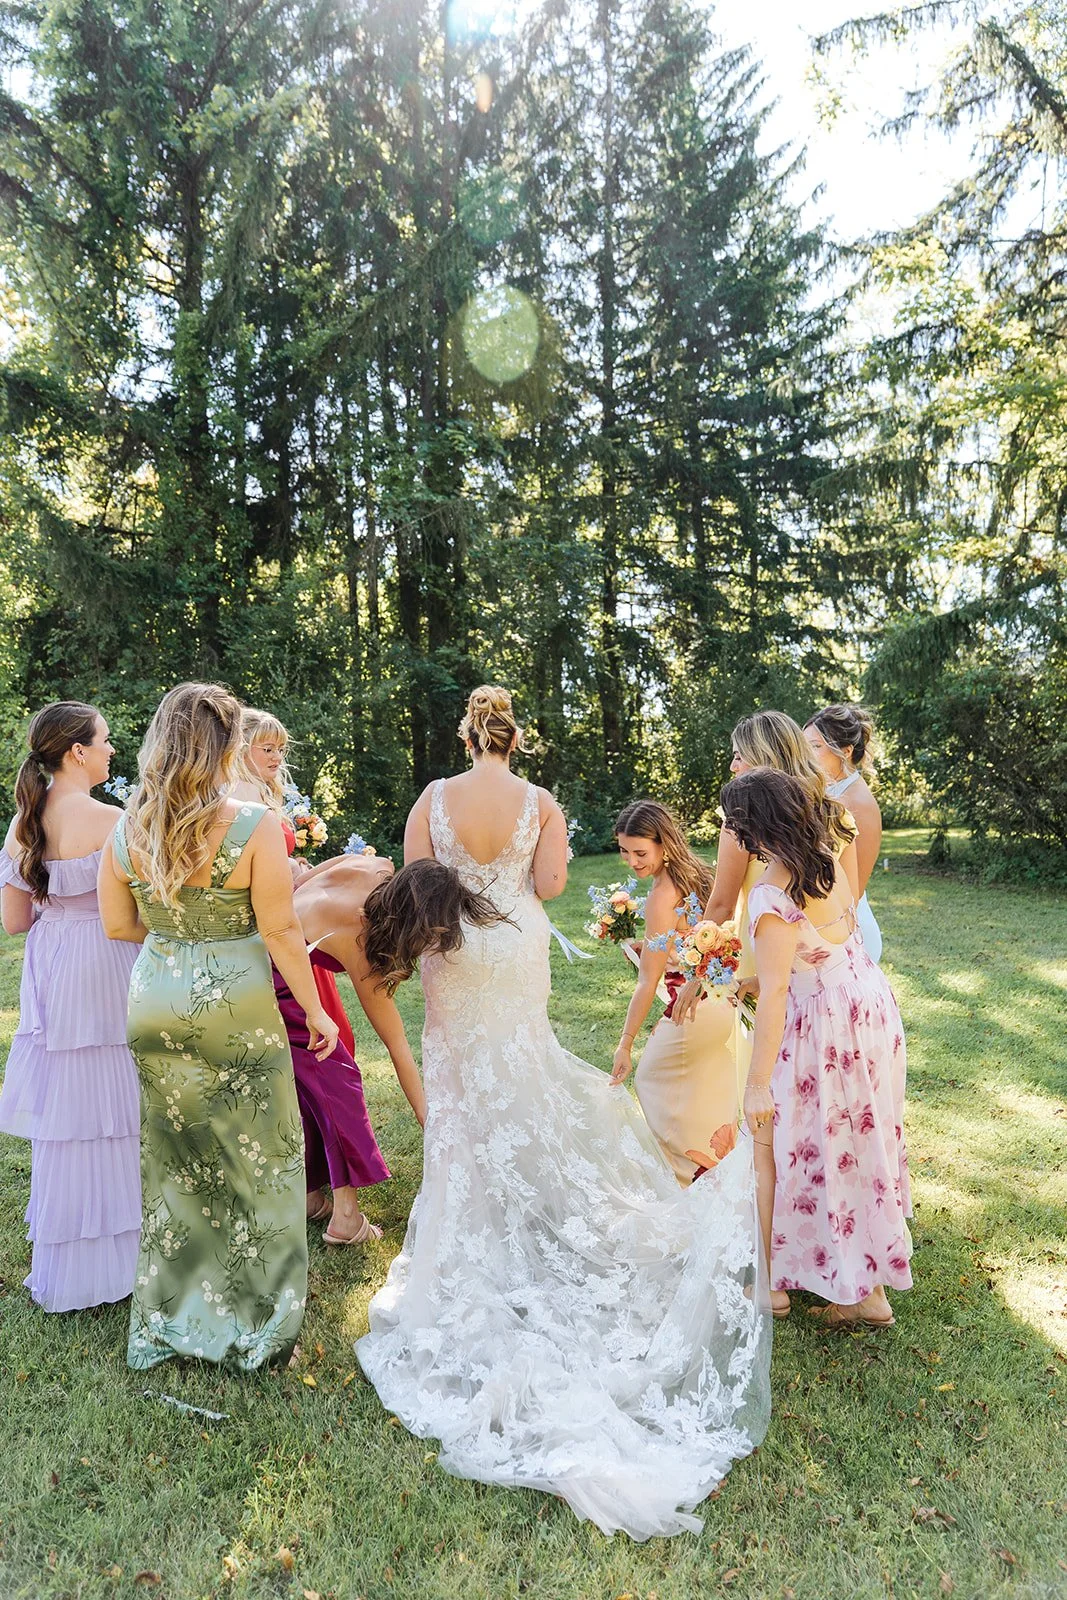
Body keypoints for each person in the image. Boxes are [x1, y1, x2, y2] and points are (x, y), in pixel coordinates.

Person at [357, 686, 771, 1541]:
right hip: (513, 949)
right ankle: (536, 1198)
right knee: (522, 1065)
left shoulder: (428, 800)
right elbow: (548, 883)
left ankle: (473, 1204)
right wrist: (525, 860)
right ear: (514, 739)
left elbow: (415, 881)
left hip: (449, 952)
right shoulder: (538, 802)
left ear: (466, 735)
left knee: (463, 1075)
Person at [98, 682, 339, 1371]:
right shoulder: (253, 825)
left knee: (177, 1165)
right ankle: (259, 1324)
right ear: (227, 745)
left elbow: (118, 925)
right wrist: (316, 1010)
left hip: (155, 999)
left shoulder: (127, 827)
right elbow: (282, 929)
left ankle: (175, 1318)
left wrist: (179, 932)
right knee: (261, 1163)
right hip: (234, 1003)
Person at [717, 767, 911, 1330]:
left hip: (825, 1028)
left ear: (752, 828)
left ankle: (856, 1293)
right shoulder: (824, 850)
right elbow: (823, 946)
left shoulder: (772, 892)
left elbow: (778, 991)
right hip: (867, 1004)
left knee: (818, 1143)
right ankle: (864, 1286)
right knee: (862, 1138)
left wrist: (756, 1085)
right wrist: (761, 981)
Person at [0, 703, 141, 1312]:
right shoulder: (113, 819)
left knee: (69, 1115)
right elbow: (136, 915)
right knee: (114, 1107)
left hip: (51, 960)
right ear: (78, 752)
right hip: (104, 958)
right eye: (106, 741)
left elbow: (13, 922)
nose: (112, 750)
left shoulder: (23, 822)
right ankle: (122, 1263)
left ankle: (68, 1264)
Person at [234, 705, 357, 1221]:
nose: (277, 757)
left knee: (297, 1070)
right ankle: (345, 1206)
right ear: (239, 748)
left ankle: (311, 1192)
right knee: (329, 1061)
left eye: (281, 748)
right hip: (278, 949)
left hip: (289, 939)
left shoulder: (259, 793)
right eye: (267, 748)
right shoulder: (240, 798)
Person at [277, 852, 432, 1246]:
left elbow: (294, 886)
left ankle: (310, 1196)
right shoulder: (361, 941)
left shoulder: (374, 866)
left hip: (265, 953)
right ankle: (345, 1218)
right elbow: (396, 1043)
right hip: (280, 981)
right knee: (337, 1084)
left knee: (308, 1087)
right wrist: (427, 1118)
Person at [610, 800, 733, 1184]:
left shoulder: (662, 895)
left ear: (664, 844)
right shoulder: (703, 874)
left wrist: (625, 1044)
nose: (632, 861)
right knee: (701, 1087)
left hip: (691, 1010)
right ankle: (714, 1170)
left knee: (649, 1077)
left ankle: (684, 1177)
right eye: (624, 851)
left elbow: (649, 980)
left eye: (640, 852)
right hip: (723, 1003)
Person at [805, 705, 883, 962]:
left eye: (816, 746)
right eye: (805, 746)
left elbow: (854, 889)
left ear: (846, 751)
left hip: (848, 934)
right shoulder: (827, 791)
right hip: (822, 924)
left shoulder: (858, 803)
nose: (807, 754)